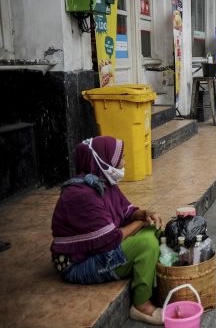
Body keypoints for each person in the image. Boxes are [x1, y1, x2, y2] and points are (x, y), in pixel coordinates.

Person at [51, 136, 165, 325]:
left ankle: (157, 285)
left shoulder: (103, 182)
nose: (124, 162)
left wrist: (144, 213)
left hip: (100, 249)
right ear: (102, 159)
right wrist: (142, 222)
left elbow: (127, 211)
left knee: (155, 231)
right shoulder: (80, 195)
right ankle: (141, 305)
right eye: (121, 158)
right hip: (78, 264)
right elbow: (112, 238)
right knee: (145, 244)